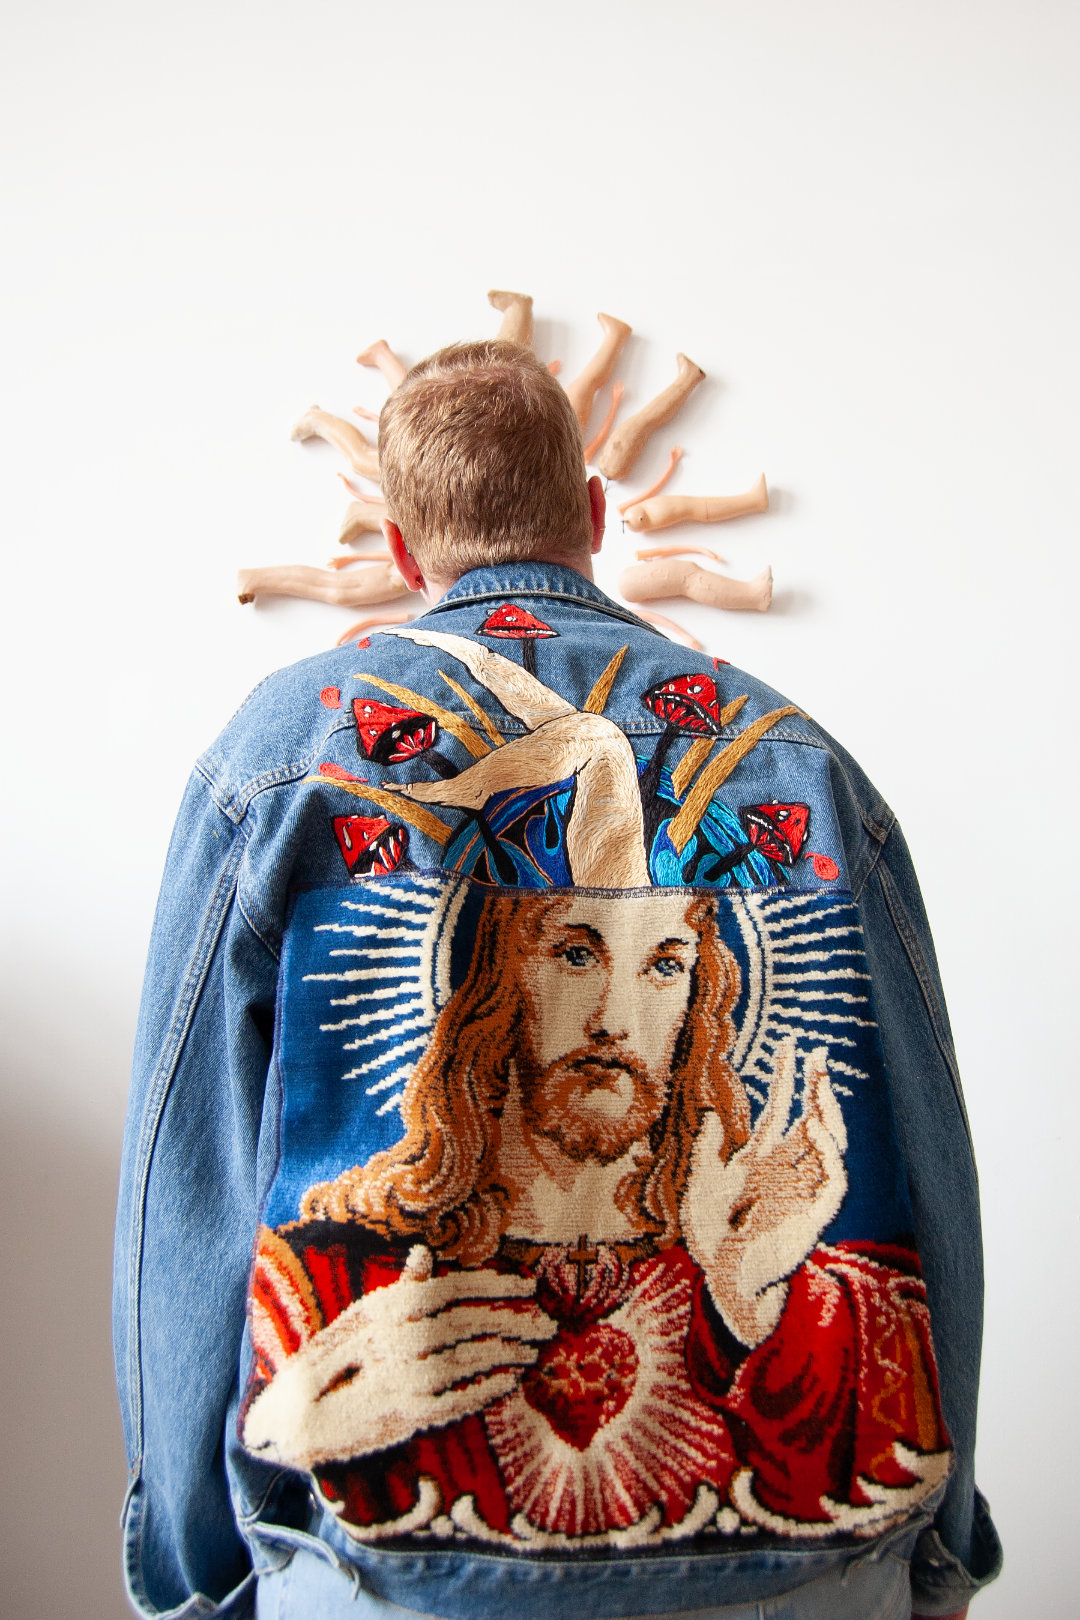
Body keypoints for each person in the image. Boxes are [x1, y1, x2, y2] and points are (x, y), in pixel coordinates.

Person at [114, 342, 1001, 1620]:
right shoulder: (805, 769)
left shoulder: (276, 759)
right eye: (571, 953)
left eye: (661, 963)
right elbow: (932, 1165)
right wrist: (943, 1554)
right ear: (591, 514)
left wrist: (191, 1572)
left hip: (370, 1577)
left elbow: (180, 1184)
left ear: (405, 548)